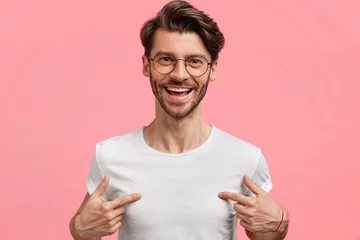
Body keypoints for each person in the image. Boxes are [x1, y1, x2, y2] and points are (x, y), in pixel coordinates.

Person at [69, 0, 289, 239]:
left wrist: (280, 223)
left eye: (195, 61)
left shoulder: (246, 157)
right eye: (166, 59)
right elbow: (83, 229)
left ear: (212, 69)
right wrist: (80, 229)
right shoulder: (109, 156)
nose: (179, 74)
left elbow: (268, 233)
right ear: (146, 65)